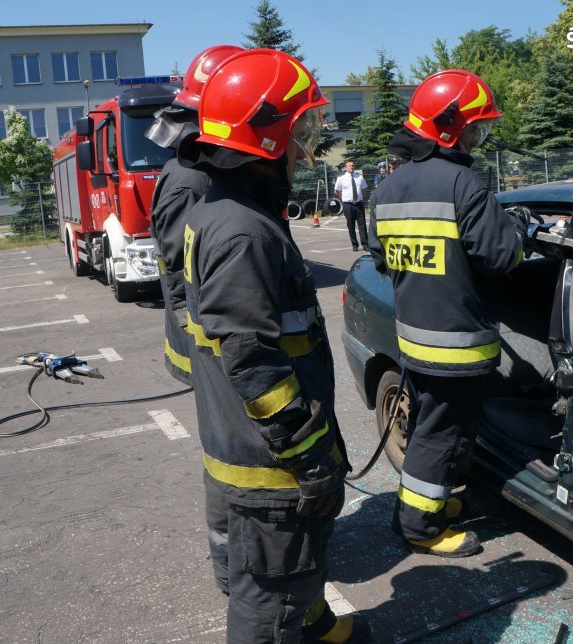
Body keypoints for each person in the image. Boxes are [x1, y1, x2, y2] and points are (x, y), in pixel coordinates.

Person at [177, 48, 364, 642]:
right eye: (301, 128)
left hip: (247, 448)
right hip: (273, 467)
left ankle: (313, 623)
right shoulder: (244, 233)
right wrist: (309, 455)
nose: (306, 146)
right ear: (265, 136)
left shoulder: (225, 212)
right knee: (272, 602)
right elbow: (253, 363)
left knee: (285, 585)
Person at [368, 69, 526, 558]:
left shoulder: (388, 188)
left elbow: (380, 258)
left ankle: (422, 507)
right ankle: (419, 526)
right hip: (457, 345)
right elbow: (502, 257)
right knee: (442, 435)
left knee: (425, 428)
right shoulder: (462, 184)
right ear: (451, 128)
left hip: (413, 339)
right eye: (476, 127)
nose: (479, 137)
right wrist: (519, 230)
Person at [145, 43, 243, 593]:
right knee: (228, 455)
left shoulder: (197, 171)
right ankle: (232, 562)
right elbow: (183, 269)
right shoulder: (189, 179)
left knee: (229, 451)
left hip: (209, 334)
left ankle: (238, 554)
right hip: (208, 339)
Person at [334, 159, 369, 251]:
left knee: (362, 225)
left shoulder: (359, 177)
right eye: (349, 166)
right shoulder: (341, 178)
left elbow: (364, 189)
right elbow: (337, 191)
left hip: (359, 204)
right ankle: (354, 245)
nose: (351, 167)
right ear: (345, 168)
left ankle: (365, 244)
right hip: (348, 205)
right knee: (351, 225)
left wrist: (360, 197)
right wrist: (343, 199)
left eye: (353, 165)